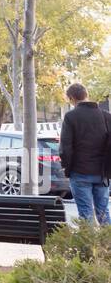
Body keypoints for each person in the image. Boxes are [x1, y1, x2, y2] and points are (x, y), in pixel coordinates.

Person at [58, 83, 111, 225]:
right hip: (102, 173)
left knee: (86, 213)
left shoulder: (70, 117)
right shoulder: (106, 116)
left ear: (71, 98)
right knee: (103, 212)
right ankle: (107, 244)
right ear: (86, 95)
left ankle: (89, 247)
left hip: (80, 172)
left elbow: (65, 148)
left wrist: (66, 168)